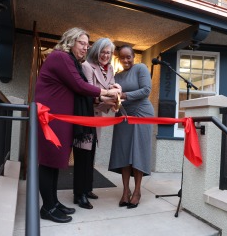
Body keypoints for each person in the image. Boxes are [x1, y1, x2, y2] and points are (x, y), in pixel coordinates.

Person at [34, 27, 120, 223]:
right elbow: (79, 86)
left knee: (55, 163)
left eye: (87, 44)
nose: (85, 47)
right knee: (48, 162)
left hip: (59, 118)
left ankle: (53, 202)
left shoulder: (70, 61)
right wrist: (107, 93)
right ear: (70, 41)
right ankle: (47, 207)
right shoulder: (60, 57)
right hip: (51, 118)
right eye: (82, 43)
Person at [73, 38, 117, 209]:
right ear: (96, 51)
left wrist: (116, 93)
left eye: (109, 52)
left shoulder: (110, 68)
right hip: (85, 116)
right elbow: (90, 94)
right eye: (103, 52)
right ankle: (79, 194)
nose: (106, 55)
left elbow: (112, 88)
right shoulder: (86, 66)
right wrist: (111, 97)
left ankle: (87, 188)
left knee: (90, 155)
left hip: (97, 117)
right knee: (82, 156)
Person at [109, 45, 154, 209]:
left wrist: (125, 95)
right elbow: (114, 96)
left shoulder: (141, 68)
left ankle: (137, 191)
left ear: (134, 56)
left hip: (142, 112)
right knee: (123, 152)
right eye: (122, 57)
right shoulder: (117, 76)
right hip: (123, 114)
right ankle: (125, 191)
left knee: (138, 152)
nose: (126, 60)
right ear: (119, 58)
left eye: (129, 57)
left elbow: (146, 90)